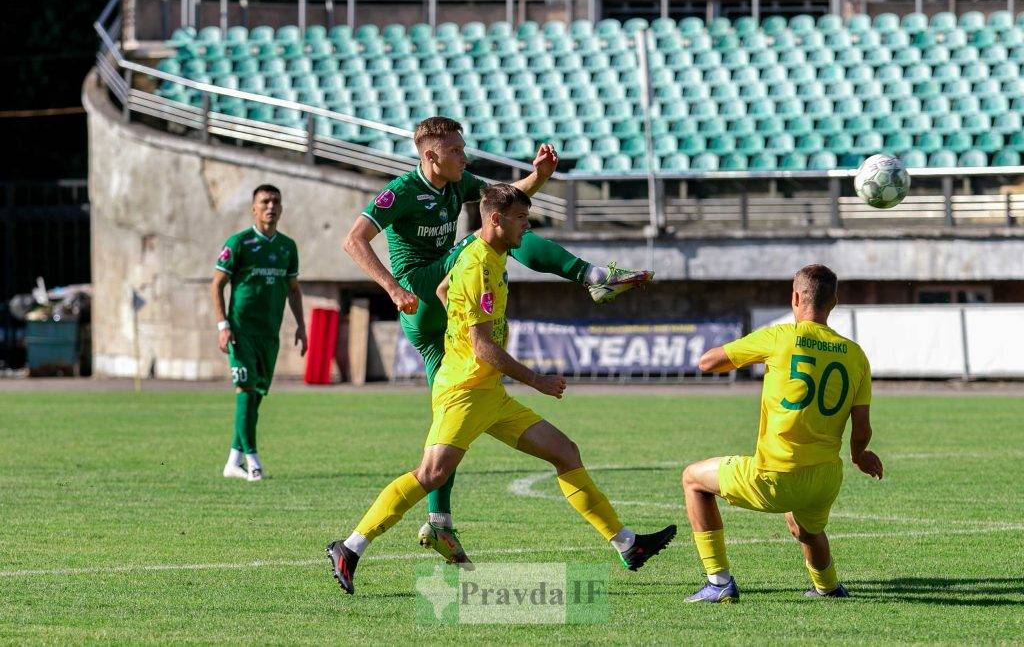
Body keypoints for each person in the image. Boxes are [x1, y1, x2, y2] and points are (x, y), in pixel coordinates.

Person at [326, 183, 675, 594]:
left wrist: (456, 314)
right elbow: (482, 347)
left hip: (488, 393)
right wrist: (538, 381)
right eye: (522, 220)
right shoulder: (477, 264)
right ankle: (349, 547)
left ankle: (627, 544)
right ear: (496, 219)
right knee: (431, 474)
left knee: (565, 452)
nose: (526, 228)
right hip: (464, 392)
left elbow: (442, 290)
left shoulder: (492, 255)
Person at [681, 264, 882, 602]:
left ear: (795, 298)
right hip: (824, 480)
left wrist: (753, 357)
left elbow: (708, 362)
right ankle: (828, 587)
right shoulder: (856, 355)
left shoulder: (779, 337)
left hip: (775, 475)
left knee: (693, 480)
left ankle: (718, 583)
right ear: (834, 301)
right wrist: (859, 456)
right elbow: (861, 427)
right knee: (806, 526)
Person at [211, 184, 308, 482]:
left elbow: (293, 290)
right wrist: (223, 326)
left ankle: (233, 461)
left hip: (270, 334)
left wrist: (302, 326)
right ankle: (253, 461)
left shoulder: (287, 247)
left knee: (256, 396)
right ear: (253, 208)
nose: (270, 206)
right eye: (264, 201)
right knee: (245, 391)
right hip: (241, 332)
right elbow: (217, 284)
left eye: (276, 201)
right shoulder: (239, 243)